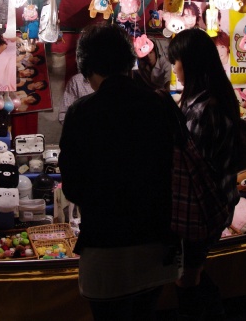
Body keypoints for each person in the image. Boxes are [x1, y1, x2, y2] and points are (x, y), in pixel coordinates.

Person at [59, 24, 181, 320]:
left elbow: (72, 187)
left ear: (86, 67)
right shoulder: (161, 104)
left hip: (105, 250)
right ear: (129, 61)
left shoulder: (81, 112)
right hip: (156, 245)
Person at [167, 28, 240, 319]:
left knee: (187, 278)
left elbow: (190, 162)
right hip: (213, 203)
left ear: (190, 62)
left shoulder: (205, 108)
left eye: (176, 61)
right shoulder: (210, 98)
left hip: (200, 207)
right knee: (191, 272)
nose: (174, 68)